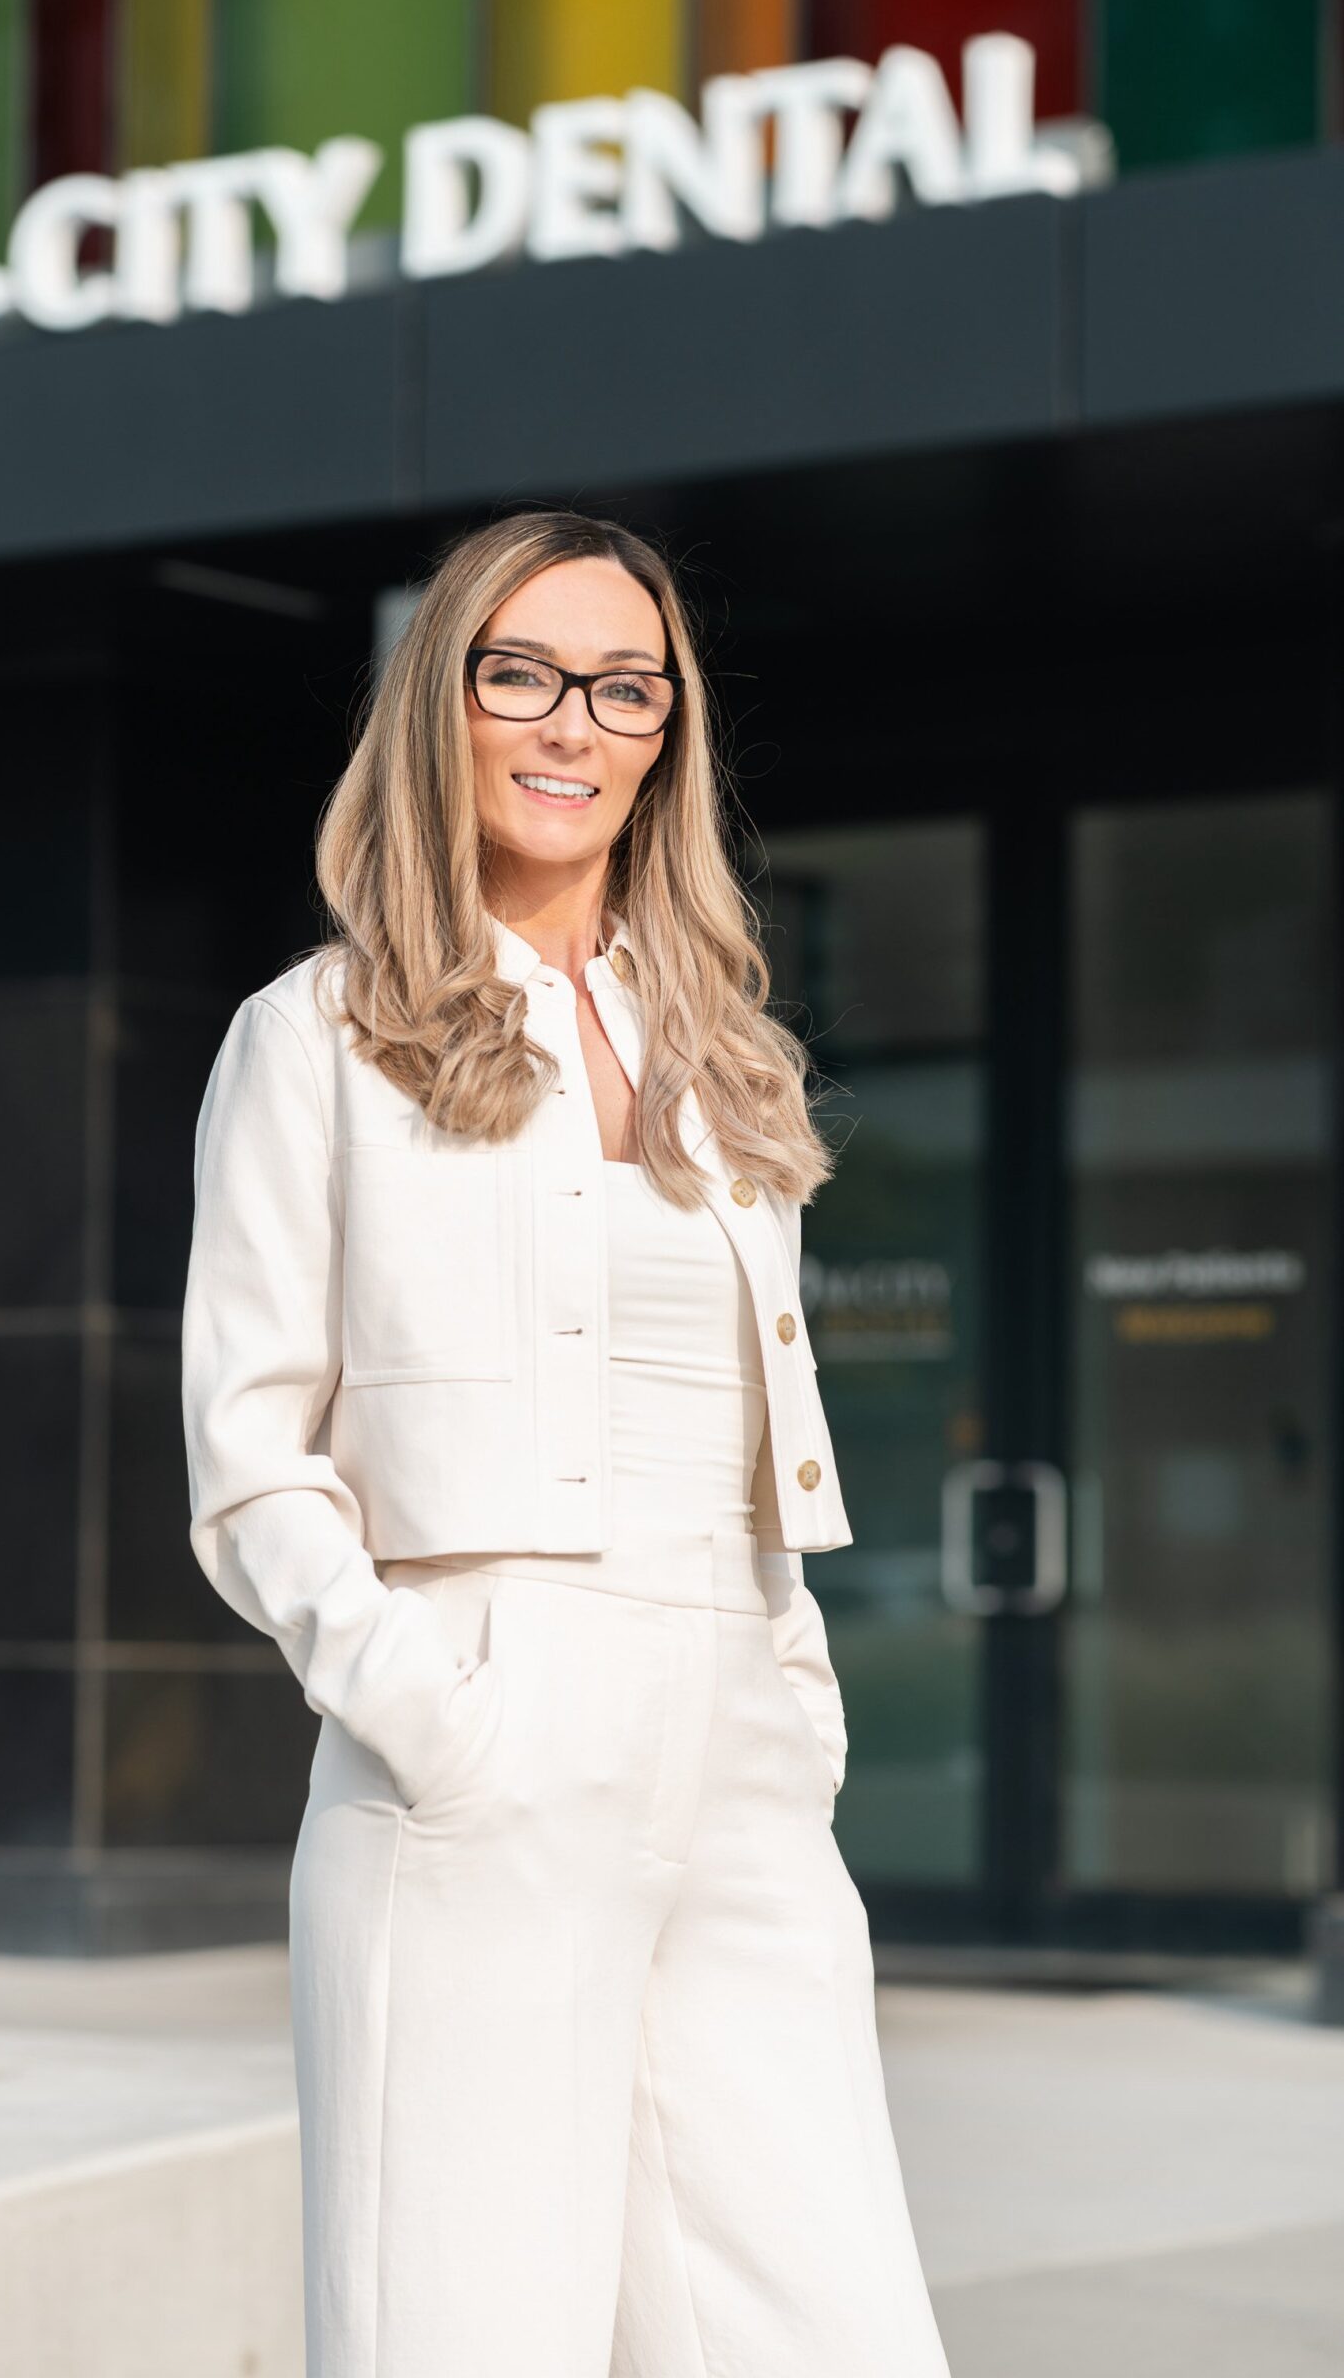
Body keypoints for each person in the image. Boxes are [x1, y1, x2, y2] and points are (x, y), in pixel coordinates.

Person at [181, 509, 952, 2377]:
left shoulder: (722, 1055)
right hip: (479, 1729)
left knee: (828, 2328)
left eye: (623, 687)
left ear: (667, 732)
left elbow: (755, 1432)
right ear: (437, 703)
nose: (569, 724)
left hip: (742, 1745)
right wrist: (431, 1710)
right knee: (462, 2331)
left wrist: (793, 1696)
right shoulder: (317, 1036)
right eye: (518, 673)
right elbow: (250, 1450)